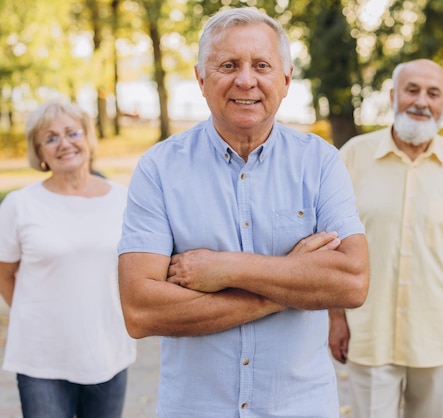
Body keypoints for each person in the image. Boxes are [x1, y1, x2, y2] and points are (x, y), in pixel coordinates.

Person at [116, 7, 369, 417]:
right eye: (228, 65)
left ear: (285, 81)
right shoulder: (159, 168)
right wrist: (287, 286)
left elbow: (352, 281)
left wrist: (226, 269)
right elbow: (141, 309)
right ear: (201, 78)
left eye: (262, 65)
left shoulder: (320, 162)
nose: (246, 80)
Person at [329, 59, 443, 418]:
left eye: (433, 93)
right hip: (368, 332)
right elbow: (332, 246)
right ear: (394, 95)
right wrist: (335, 319)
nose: (421, 101)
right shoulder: (352, 157)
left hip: (439, 336)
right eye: (412, 90)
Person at [0, 100, 136, 418]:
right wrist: (35, 318)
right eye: (50, 138)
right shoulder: (20, 205)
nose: (64, 143)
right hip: (41, 356)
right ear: (40, 153)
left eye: (73, 132)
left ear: (88, 139)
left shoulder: (123, 199)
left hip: (108, 351)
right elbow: (4, 273)